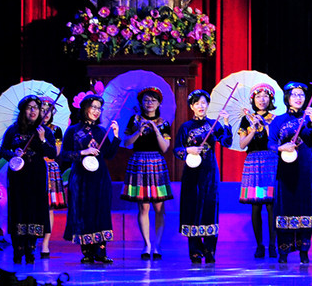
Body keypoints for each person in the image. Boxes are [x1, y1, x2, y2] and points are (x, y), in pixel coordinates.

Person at [269, 82, 312, 263]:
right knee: (285, 206)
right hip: (285, 168)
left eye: (301, 95)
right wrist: (281, 147)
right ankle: (284, 251)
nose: (298, 98)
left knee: (305, 206)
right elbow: (270, 144)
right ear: (287, 98)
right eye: (294, 94)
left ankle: (304, 250)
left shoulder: (310, 118)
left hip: (306, 167)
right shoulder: (278, 120)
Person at [62, 92, 119, 264]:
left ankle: (101, 252)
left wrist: (116, 136)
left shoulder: (101, 130)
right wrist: (83, 152)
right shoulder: (73, 130)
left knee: (101, 211)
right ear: (84, 108)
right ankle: (87, 251)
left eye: (99, 108)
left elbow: (109, 154)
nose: (96, 111)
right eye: (93, 107)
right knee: (84, 212)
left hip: (100, 177)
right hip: (81, 178)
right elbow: (64, 155)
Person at [175, 89, 231, 264]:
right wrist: (188, 150)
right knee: (192, 208)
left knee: (209, 207)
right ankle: (195, 250)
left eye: (203, 103)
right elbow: (177, 150)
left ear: (207, 105)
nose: (200, 106)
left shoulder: (214, 124)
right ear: (192, 106)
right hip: (192, 173)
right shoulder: (185, 127)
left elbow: (227, 142)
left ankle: (210, 250)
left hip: (209, 172)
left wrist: (226, 123)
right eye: (197, 103)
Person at [1, 95, 57, 264]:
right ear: (23, 110)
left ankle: (31, 248)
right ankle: (18, 248)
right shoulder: (13, 130)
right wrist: (13, 154)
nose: (33, 111)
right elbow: (2, 150)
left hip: (37, 175)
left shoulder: (44, 130)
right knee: (19, 209)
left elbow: (52, 153)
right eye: (29, 107)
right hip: (18, 176)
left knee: (34, 209)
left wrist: (43, 140)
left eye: (36, 108)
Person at [121, 87, 172, 261]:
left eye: (153, 100)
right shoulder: (134, 120)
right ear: (141, 103)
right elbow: (126, 143)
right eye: (146, 100)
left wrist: (156, 131)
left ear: (159, 104)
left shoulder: (164, 123)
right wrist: (139, 131)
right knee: (143, 207)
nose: (149, 103)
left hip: (156, 162)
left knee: (159, 207)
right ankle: (147, 244)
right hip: (138, 162)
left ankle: (157, 244)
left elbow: (165, 148)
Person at [237, 83, 279, 259]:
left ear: (270, 99)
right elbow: (242, 144)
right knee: (256, 205)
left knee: (271, 206)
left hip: (271, 161)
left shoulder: (275, 118)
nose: (262, 100)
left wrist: (265, 124)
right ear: (253, 100)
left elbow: (275, 141)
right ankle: (259, 245)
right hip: (253, 162)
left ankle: (272, 245)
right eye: (258, 97)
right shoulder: (246, 119)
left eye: (265, 96)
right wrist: (253, 129)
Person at [38, 97, 65, 259]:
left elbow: (57, 152)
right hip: (34, 167)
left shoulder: (56, 130)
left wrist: (43, 141)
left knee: (49, 207)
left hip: (49, 168)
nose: (46, 113)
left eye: (49, 110)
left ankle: (45, 243)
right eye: (42, 110)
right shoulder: (30, 129)